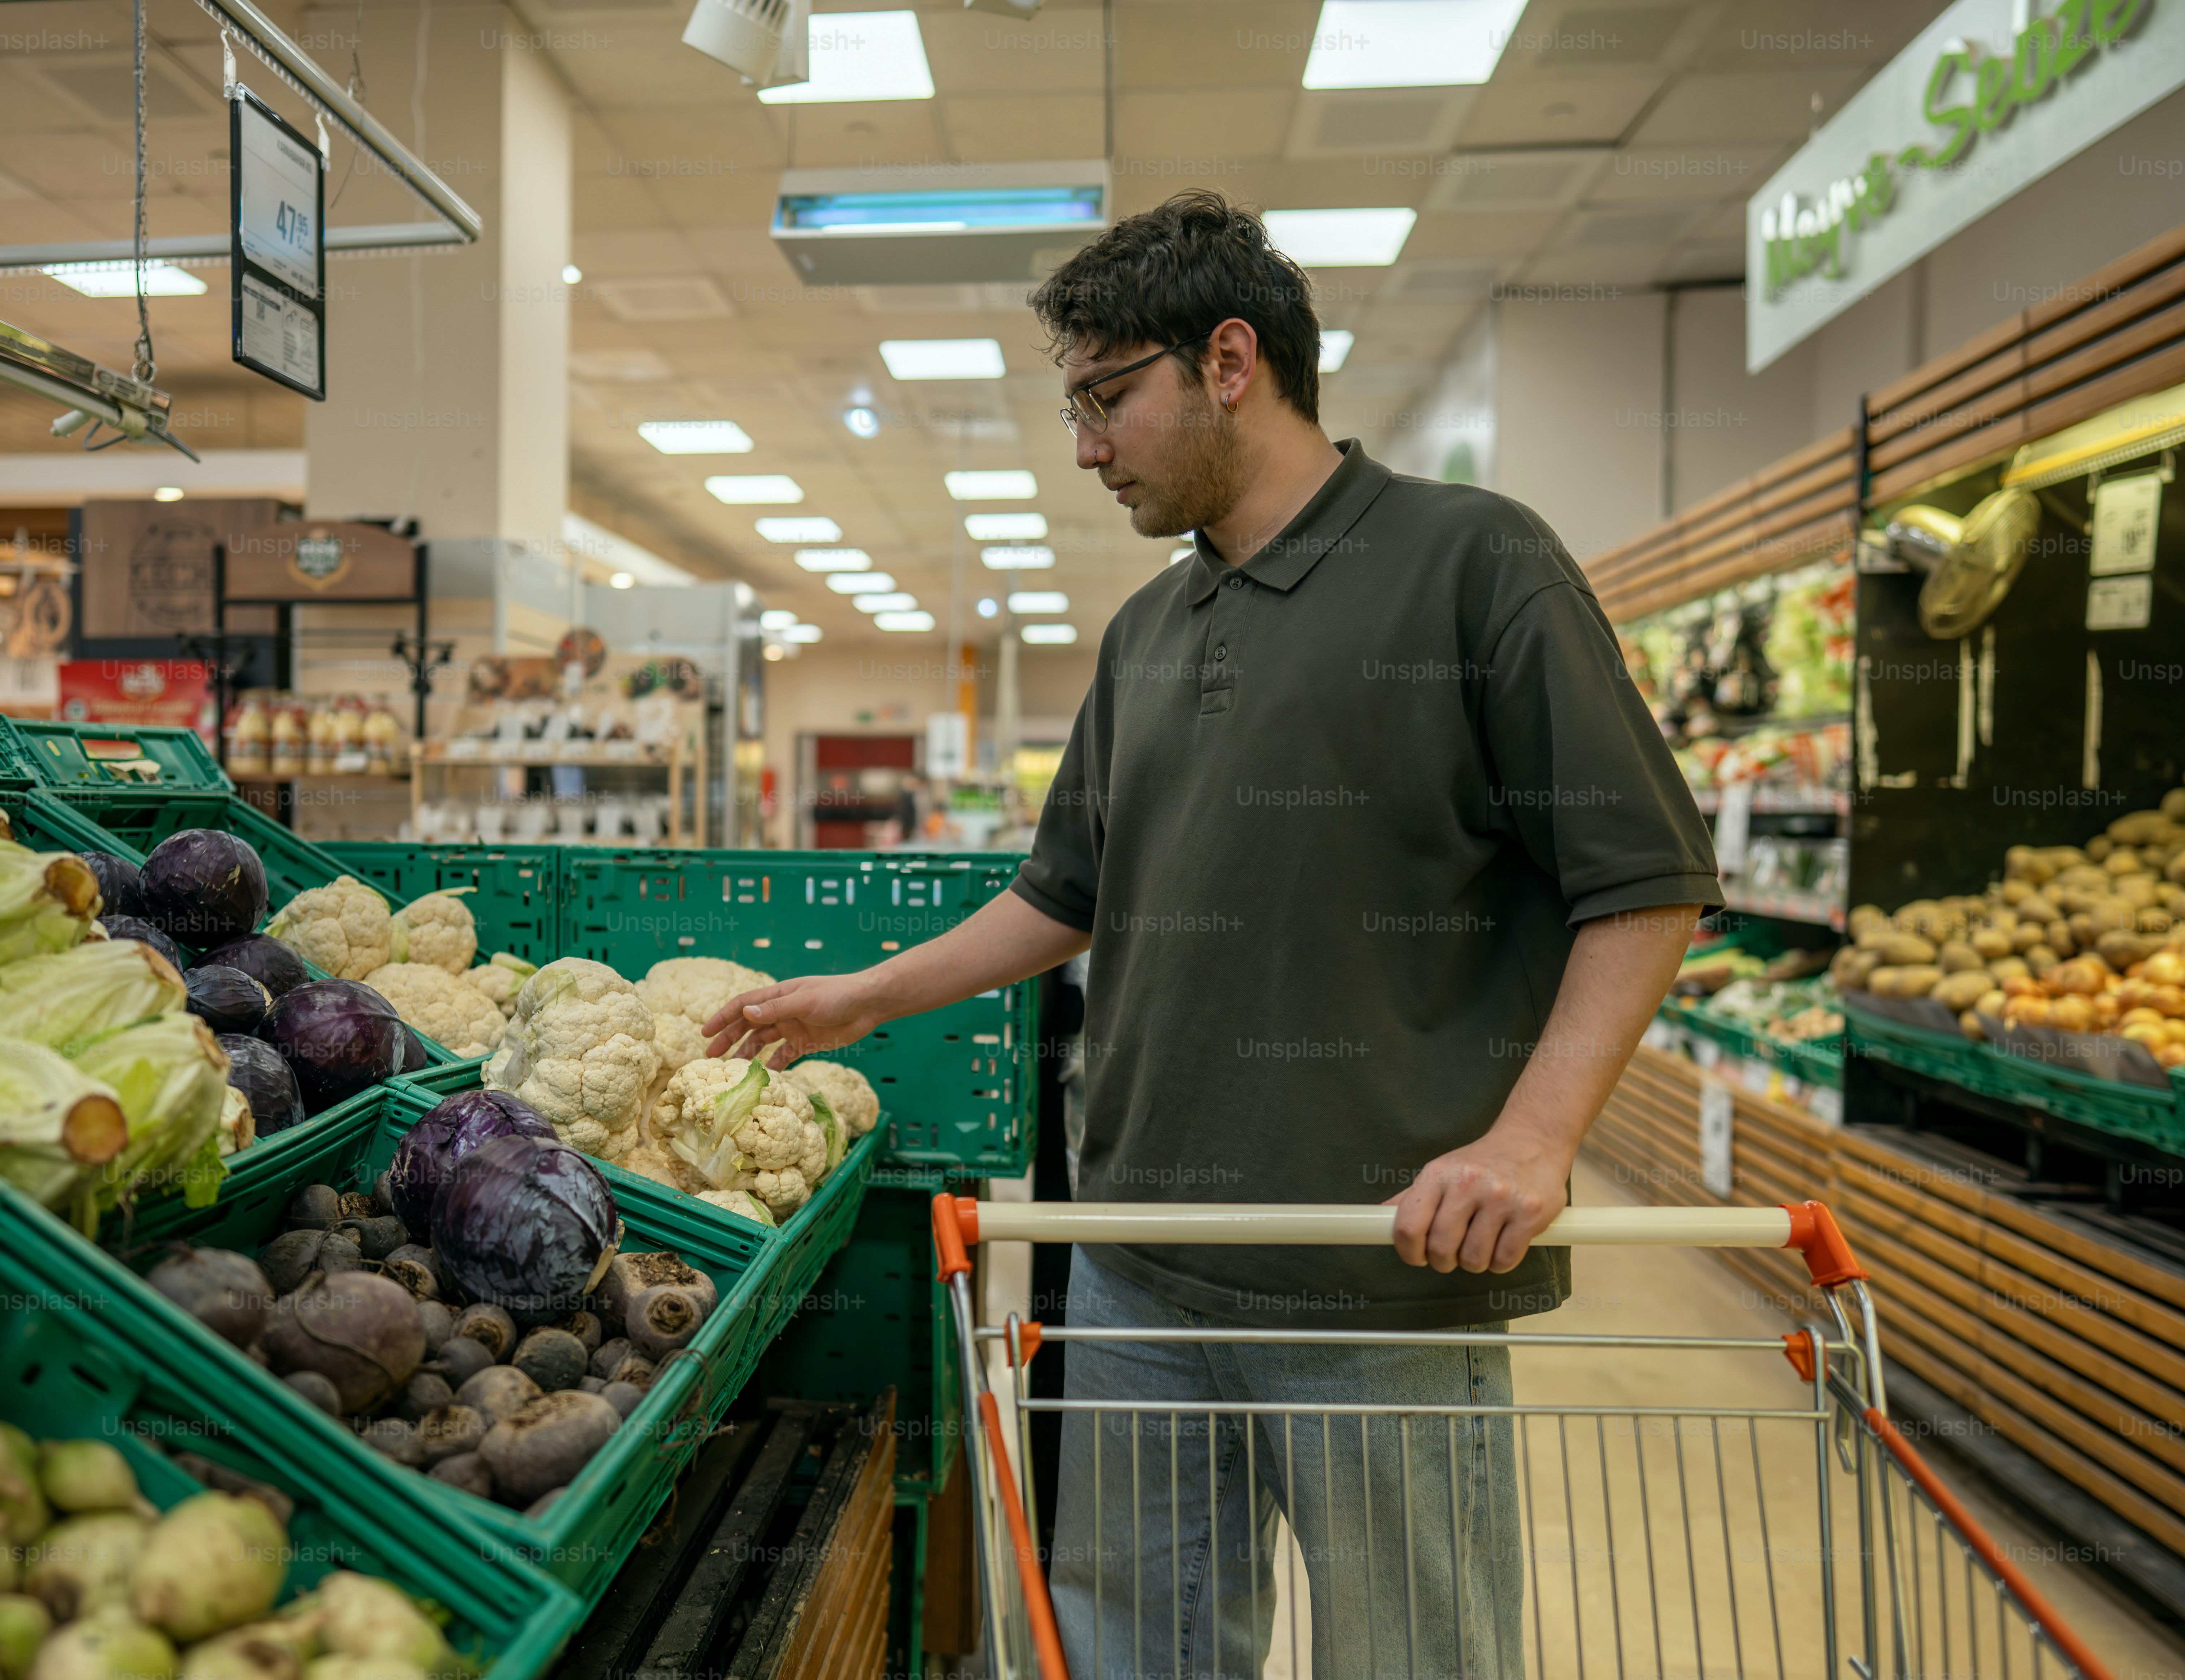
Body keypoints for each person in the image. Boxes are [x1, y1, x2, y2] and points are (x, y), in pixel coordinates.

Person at [705, 190, 1719, 1680]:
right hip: (1134, 1268)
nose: (1087, 446)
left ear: (1230, 360)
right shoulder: (1149, 634)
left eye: (1109, 399)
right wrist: (860, 997)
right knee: (1132, 1652)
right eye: (1076, 409)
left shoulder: (1475, 564)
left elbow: (1645, 879)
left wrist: (1533, 1139)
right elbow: (1065, 896)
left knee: (1415, 1658)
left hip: (1374, 1273)